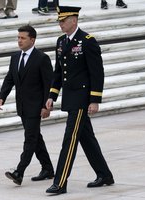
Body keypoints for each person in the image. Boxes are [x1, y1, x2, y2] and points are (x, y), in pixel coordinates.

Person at [45, 6, 114, 195]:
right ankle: (105, 174)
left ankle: (60, 182)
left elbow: (97, 72)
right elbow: (58, 71)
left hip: (82, 99)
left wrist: (94, 99)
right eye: (59, 21)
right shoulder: (61, 42)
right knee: (87, 138)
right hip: (70, 97)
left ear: (74, 20)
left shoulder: (87, 41)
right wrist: (52, 95)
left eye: (63, 20)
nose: (60, 24)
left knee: (70, 139)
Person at [0, 25, 54, 186]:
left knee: (30, 139)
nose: (19, 41)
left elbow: (48, 84)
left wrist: (46, 106)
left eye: (23, 38)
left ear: (32, 40)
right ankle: (48, 169)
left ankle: (19, 172)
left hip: (36, 107)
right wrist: (2, 96)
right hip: (22, 106)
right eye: (18, 38)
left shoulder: (42, 58)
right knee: (35, 138)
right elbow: (10, 78)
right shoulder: (15, 57)